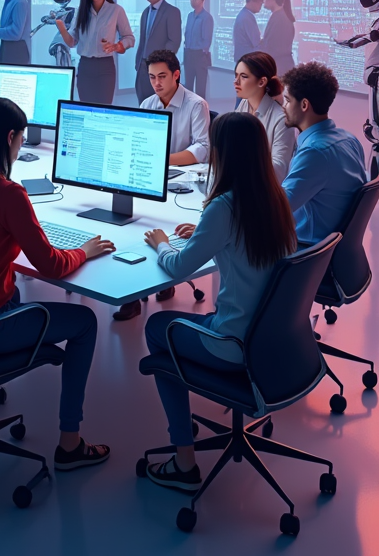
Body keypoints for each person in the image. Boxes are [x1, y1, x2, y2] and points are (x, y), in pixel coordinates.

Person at [0, 97, 115, 471]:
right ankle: (70, 444)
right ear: (10, 138)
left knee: (17, 290)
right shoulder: (9, 194)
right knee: (86, 322)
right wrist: (83, 251)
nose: (22, 146)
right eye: (21, 139)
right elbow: (52, 265)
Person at [142, 112, 297, 492]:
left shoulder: (224, 207)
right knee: (190, 322)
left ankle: (184, 461)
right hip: (275, 345)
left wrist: (160, 242)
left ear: (223, 154)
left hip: (233, 345)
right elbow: (244, 242)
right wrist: (206, 233)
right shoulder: (277, 200)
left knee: (156, 328)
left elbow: (178, 267)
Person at [113, 49, 210, 323]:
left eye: (162, 76)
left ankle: (164, 277)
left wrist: (161, 159)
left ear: (176, 75)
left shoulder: (195, 104)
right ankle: (130, 294)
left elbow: (202, 148)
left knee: (163, 223)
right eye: (152, 77)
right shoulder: (147, 104)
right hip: (150, 174)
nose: (156, 83)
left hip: (183, 182)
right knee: (131, 226)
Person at [281, 62, 366, 244]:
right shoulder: (349, 140)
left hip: (305, 251)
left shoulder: (315, 152)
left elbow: (278, 208)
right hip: (329, 249)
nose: (284, 106)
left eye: (287, 100)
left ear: (304, 105)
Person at [55, 0, 134, 105]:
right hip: (85, 67)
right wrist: (62, 28)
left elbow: (129, 38)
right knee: (86, 108)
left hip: (106, 67)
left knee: (103, 109)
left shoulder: (116, 10)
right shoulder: (81, 11)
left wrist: (116, 46)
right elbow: (72, 42)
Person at [234, 52, 296, 183]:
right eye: (236, 75)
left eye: (244, 77)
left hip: (263, 191)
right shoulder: (244, 104)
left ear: (262, 81)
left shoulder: (281, 119)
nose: (236, 82)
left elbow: (278, 170)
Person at [134, 0, 181, 104]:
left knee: (160, 106)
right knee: (143, 105)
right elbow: (142, 41)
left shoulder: (172, 12)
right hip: (143, 69)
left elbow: (174, 41)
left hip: (160, 70)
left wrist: (161, 64)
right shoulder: (145, 12)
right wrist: (138, 65)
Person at [183, 0, 213, 99]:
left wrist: (202, 54)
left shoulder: (207, 17)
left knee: (200, 88)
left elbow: (207, 40)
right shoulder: (190, 15)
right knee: (188, 86)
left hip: (200, 55)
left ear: (203, 0)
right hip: (188, 53)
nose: (193, 1)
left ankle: (200, 110)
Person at [261, 0, 295, 76]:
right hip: (279, 65)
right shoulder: (278, 16)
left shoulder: (280, 18)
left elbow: (273, 45)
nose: (263, 1)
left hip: (279, 67)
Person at [233, 0, 264, 64]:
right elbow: (256, 42)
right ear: (253, 2)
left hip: (243, 58)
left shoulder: (243, 14)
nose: (261, 7)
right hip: (247, 60)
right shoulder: (247, 17)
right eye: (260, 3)